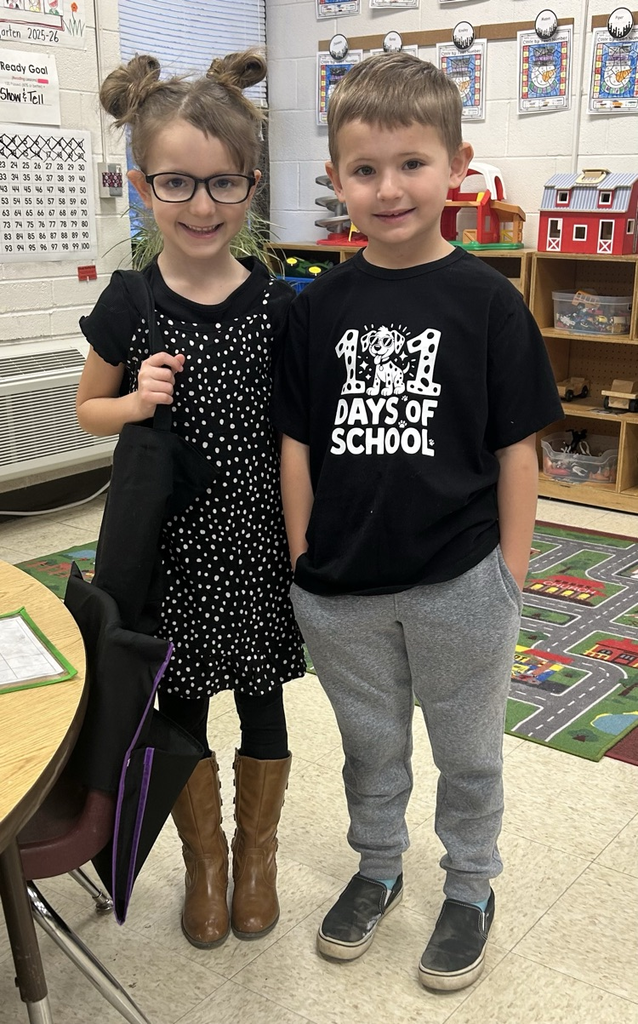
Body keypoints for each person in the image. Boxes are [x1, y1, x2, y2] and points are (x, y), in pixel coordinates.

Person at [273, 52, 562, 992]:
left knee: (469, 753)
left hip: (461, 582)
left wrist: (508, 578)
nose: (388, 187)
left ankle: (472, 885)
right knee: (372, 747)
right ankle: (379, 865)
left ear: (456, 164)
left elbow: (519, 451)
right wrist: (302, 557)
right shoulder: (317, 308)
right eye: (365, 169)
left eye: (411, 163)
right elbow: (298, 446)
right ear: (336, 180)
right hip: (343, 591)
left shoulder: (489, 303)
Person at [76, 50, 305, 951]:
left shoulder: (280, 305)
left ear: (251, 184)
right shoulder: (129, 303)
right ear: (142, 185)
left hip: (254, 546)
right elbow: (89, 412)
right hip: (166, 552)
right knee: (177, 706)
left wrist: (306, 544)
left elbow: (301, 438)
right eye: (177, 183)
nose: (202, 207)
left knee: (262, 699)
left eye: (223, 185)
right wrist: (135, 401)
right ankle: (204, 861)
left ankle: (257, 856)